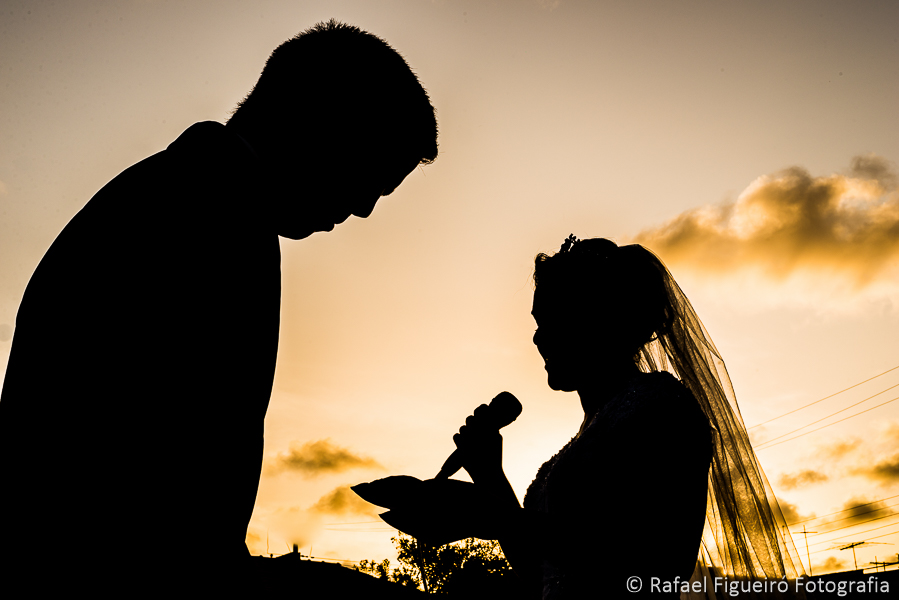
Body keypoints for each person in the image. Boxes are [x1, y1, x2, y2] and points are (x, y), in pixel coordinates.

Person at [0, 19, 437, 595]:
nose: (361, 210)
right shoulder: (211, 220)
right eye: (370, 179)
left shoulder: (180, 192)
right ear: (325, 123)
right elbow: (167, 502)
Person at [361, 236, 805, 599]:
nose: (539, 337)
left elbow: (649, 566)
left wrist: (491, 516)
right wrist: (490, 477)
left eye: (556, 319)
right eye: (537, 321)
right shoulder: (577, 442)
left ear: (603, 319)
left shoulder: (661, 409)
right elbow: (543, 575)